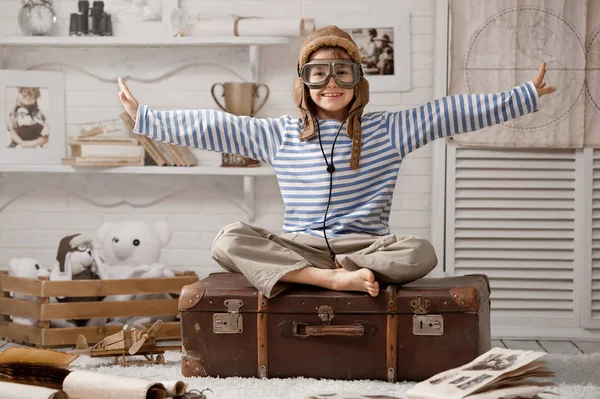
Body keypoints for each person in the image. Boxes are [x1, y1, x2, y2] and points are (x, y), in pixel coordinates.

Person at [118, 25, 556, 299]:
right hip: (301, 246)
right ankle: (327, 280)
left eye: (343, 72)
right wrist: (148, 118)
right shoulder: (281, 134)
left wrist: (523, 97)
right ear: (303, 82)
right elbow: (215, 126)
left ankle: (327, 275)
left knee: (421, 252)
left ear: (357, 80)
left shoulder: (388, 130)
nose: (331, 83)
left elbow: (449, 112)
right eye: (318, 72)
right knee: (227, 240)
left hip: (367, 250)